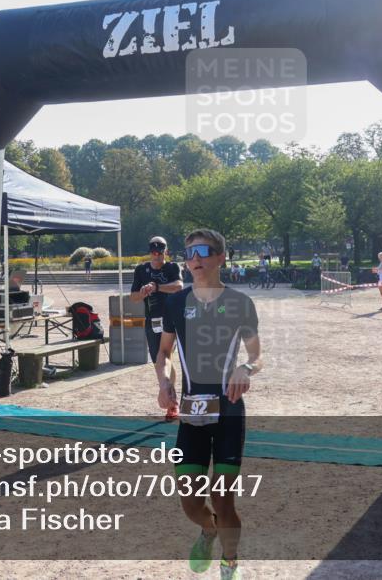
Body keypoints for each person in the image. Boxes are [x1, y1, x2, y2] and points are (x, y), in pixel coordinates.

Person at [155, 228, 262, 580]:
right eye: (189, 253)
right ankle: (209, 530)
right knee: (189, 501)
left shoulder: (240, 303)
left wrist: (245, 368)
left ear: (220, 258)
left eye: (203, 251)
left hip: (229, 409)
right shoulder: (174, 303)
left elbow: (257, 356)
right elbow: (165, 354)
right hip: (191, 411)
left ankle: (230, 561)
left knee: (223, 498)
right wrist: (165, 381)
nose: (195, 259)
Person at [130, 236, 184, 421]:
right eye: (153, 252)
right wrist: (143, 292)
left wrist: (158, 286)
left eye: (160, 252)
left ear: (165, 252)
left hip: (172, 318)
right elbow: (133, 297)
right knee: (159, 361)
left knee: (167, 357)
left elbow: (179, 286)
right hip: (152, 320)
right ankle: (169, 393)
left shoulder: (172, 268)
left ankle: (172, 402)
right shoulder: (141, 270)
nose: (156, 256)